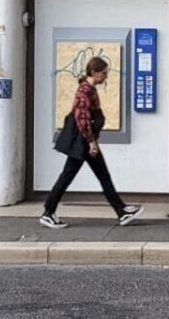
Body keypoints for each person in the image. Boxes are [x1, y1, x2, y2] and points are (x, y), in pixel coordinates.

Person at [40, 56, 143, 229]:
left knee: (100, 175)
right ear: (93, 72)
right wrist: (91, 142)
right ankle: (48, 212)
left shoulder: (89, 89)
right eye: (103, 73)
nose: (106, 76)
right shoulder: (85, 91)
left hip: (85, 141)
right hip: (83, 142)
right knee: (69, 176)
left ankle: (122, 211)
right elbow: (82, 118)